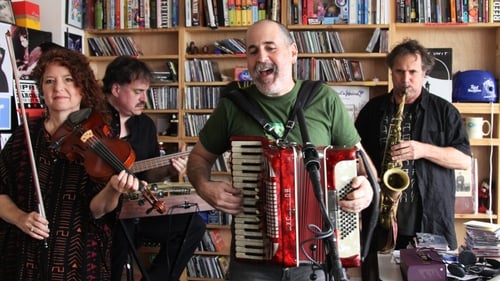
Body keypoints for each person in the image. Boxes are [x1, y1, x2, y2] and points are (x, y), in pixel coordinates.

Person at [187, 19, 377, 281]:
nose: (261, 57)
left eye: (270, 47)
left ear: (293, 53)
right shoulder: (233, 107)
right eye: (253, 51)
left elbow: (362, 164)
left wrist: (367, 187)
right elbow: (198, 158)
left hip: (315, 255)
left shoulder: (324, 100)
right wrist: (205, 187)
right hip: (253, 259)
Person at [0, 48, 140, 280]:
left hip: (78, 262)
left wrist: (113, 188)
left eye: (68, 80)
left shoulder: (101, 139)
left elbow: (98, 210)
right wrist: (20, 218)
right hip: (21, 260)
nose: (58, 88)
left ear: (81, 86)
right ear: (41, 89)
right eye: (49, 81)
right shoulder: (23, 136)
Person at [355, 38, 471, 280]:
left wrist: (422, 150)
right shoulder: (372, 110)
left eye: (412, 72)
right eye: (399, 71)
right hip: (381, 222)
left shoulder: (445, 111)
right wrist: (369, 171)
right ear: (391, 72)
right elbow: (355, 155)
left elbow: (463, 160)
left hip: (430, 222)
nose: (405, 80)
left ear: (425, 73)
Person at [104, 55, 206, 281]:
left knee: (193, 225)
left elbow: (149, 173)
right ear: (116, 89)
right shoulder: (95, 120)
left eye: (146, 92)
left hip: (137, 207)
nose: (145, 98)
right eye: (138, 91)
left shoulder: (145, 125)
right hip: (103, 211)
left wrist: (170, 170)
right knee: (120, 234)